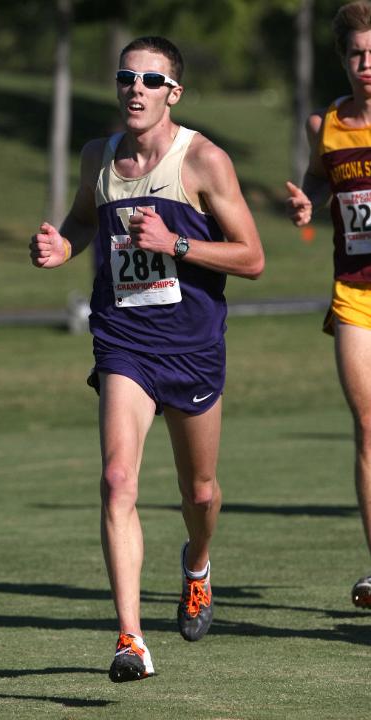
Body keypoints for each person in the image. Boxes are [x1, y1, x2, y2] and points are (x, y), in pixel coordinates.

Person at [30, 36, 264, 681]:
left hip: (191, 347)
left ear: (173, 93)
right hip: (123, 344)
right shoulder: (97, 158)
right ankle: (130, 639)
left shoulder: (204, 161)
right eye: (126, 76)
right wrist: (62, 247)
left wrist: (176, 242)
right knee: (116, 481)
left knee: (201, 491)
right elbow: (82, 220)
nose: (136, 88)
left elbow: (252, 257)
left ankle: (198, 564)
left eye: (151, 80)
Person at [286, 1, 371, 611]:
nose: (367, 64)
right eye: (357, 54)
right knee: (368, 427)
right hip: (355, 293)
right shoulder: (332, 125)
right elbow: (320, 178)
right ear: (343, 61)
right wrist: (309, 201)